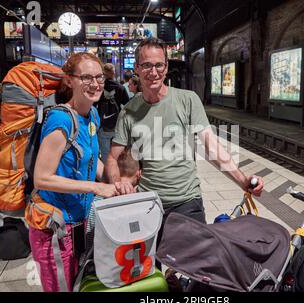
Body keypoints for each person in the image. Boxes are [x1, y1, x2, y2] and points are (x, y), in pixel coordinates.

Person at [104, 38, 264, 237]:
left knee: (193, 265)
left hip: (187, 202)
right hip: (146, 203)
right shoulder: (128, 112)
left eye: (159, 65)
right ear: (136, 68)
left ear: (166, 66)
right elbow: (112, 157)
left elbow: (211, 146)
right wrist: (118, 182)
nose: (153, 72)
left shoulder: (188, 100)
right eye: (146, 65)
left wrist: (243, 180)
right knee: (151, 268)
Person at [29, 52, 135, 292]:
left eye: (99, 77)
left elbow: (91, 161)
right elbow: (42, 178)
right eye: (86, 77)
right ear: (70, 80)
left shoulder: (91, 115)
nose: (95, 84)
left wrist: (116, 182)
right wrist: (97, 187)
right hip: (55, 229)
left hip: (81, 224)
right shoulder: (60, 120)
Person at [94, 63, 130, 162]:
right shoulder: (120, 87)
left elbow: (93, 105)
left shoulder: (99, 88)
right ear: (113, 73)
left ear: (103, 73)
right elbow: (127, 104)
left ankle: (106, 174)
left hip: (103, 125)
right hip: (117, 125)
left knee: (105, 154)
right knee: (116, 154)